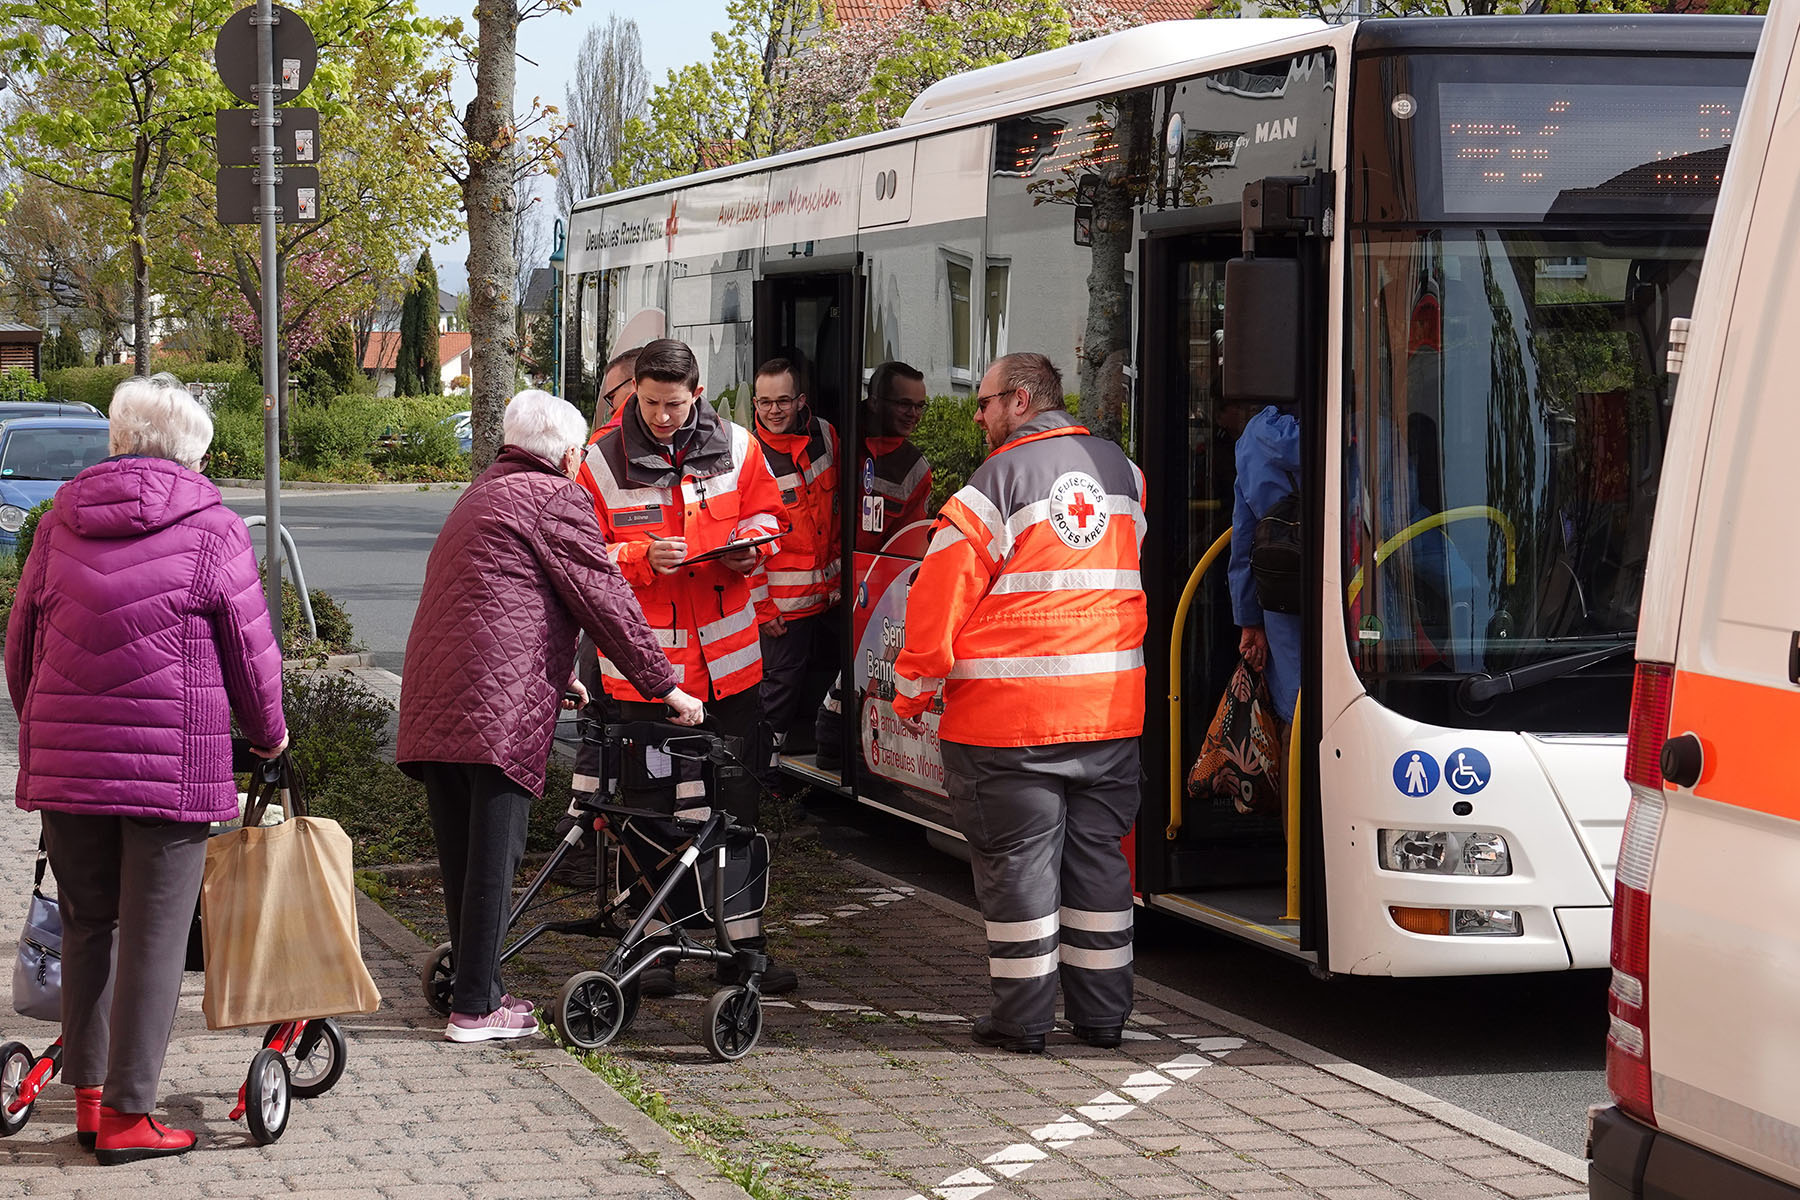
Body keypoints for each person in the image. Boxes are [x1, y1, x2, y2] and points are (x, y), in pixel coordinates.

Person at [6, 373, 288, 1163]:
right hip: (173, 770)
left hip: (69, 766)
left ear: (118, 439)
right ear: (193, 451)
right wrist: (269, 737)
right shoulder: (214, 528)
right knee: (156, 940)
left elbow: (20, 647)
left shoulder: (57, 525)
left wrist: (46, 728)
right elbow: (252, 654)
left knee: (87, 925)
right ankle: (130, 1119)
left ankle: (90, 1101)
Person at [398, 389, 704, 1043]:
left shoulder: (481, 493)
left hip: (435, 696)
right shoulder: (556, 498)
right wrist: (666, 687)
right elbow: (604, 597)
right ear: (569, 455)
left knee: (462, 855)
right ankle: (476, 1009)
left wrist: (559, 673)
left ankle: (475, 986)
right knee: (495, 854)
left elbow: (493, 599)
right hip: (498, 710)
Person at [892, 353, 1147, 1055]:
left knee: (1020, 870)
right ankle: (1103, 1018)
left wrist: (913, 691)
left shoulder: (993, 485)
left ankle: (1024, 1021)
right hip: (1108, 716)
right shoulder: (1124, 475)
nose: (977, 416)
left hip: (1011, 726)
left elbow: (938, 597)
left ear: (1021, 400)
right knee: (1098, 865)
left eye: (984, 403)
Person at [577, 338, 799, 995]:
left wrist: (749, 548)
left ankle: (742, 949)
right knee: (648, 813)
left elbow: (771, 516)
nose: (662, 416)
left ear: (696, 394)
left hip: (730, 671)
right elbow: (581, 556)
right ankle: (653, 946)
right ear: (633, 394)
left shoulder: (739, 448)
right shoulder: (600, 461)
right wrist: (641, 557)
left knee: (735, 808)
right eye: (650, 403)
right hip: (645, 677)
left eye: (673, 404)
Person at [748, 357, 841, 768]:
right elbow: (745, 542)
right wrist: (762, 608)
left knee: (833, 677)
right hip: (783, 607)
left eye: (783, 401)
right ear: (755, 402)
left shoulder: (827, 435)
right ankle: (762, 778)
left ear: (801, 400)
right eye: (765, 402)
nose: (774, 410)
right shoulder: (750, 455)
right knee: (778, 696)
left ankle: (825, 752)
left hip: (833, 596)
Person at [1230, 405, 1301, 734]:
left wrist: (1249, 619)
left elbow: (1245, 539)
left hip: (1280, 594)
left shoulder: (1253, 438)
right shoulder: (1362, 427)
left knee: (1294, 712)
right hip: (1354, 588)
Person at [856, 360, 932, 558]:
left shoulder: (915, 470)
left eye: (919, 406)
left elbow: (904, 551)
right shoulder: (836, 438)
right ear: (874, 403)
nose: (913, 414)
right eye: (904, 404)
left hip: (867, 574)